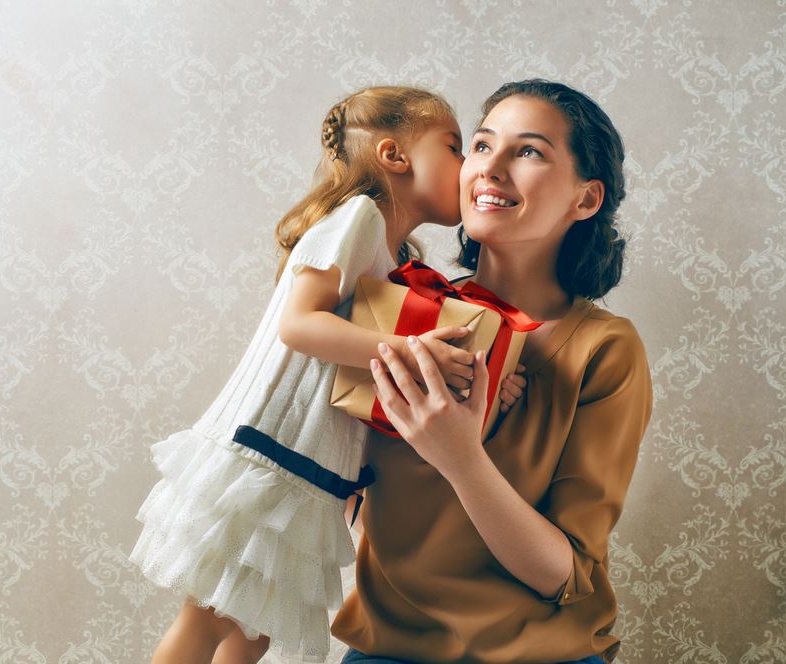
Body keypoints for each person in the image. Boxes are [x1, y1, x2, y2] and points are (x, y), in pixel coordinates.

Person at [129, 85, 529, 664]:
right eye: (455, 146)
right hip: (267, 449)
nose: (468, 165)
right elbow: (300, 325)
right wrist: (415, 348)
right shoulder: (359, 218)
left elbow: (369, 372)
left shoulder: (399, 259)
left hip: (308, 464)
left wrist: (480, 379)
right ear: (395, 156)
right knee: (209, 620)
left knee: (250, 628)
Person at [331, 79, 654, 664]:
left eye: (528, 151)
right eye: (480, 146)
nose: (491, 167)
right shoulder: (398, 308)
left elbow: (567, 576)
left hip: (540, 653)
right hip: (387, 648)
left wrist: (459, 456)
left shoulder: (604, 350)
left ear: (586, 200)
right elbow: (329, 470)